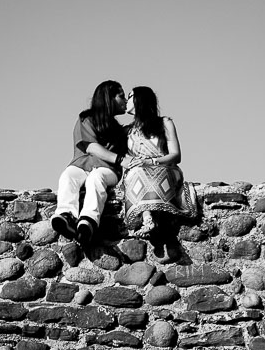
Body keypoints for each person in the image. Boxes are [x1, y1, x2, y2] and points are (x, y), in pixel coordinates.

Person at [119, 86, 196, 258]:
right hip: (138, 171)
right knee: (137, 172)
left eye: (130, 96)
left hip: (164, 167)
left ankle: (154, 218)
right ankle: (148, 218)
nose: (126, 100)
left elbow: (175, 155)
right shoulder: (126, 131)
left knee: (150, 173)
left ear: (140, 99)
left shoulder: (165, 123)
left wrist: (152, 161)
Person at [53, 80, 127, 248]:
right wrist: (120, 159)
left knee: (96, 178)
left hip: (107, 170)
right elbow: (91, 147)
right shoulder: (86, 119)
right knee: (68, 175)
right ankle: (66, 215)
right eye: (121, 96)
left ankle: (89, 220)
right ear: (109, 98)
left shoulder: (120, 130)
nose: (125, 101)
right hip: (82, 165)